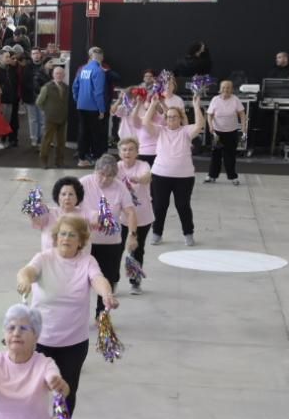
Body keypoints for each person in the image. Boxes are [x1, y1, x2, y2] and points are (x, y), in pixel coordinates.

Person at [16, 214, 116, 418]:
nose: (66, 238)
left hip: (73, 343)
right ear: (55, 236)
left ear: (81, 241)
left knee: (66, 391)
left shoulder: (87, 261)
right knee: (34, 389)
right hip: (40, 341)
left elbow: (98, 279)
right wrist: (25, 280)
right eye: (62, 234)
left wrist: (106, 293)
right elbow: (27, 271)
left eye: (72, 235)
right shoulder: (44, 258)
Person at [79, 154, 138, 311]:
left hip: (111, 243)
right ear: (95, 170)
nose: (105, 179)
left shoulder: (120, 187)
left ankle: (102, 314)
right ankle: (79, 313)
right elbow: (70, 207)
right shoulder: (83, 183)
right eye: (102, 174)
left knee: (107, 279)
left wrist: (132, 235)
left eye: (110, 176)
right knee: (81, 280)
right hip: (85, 241)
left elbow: (130, 212)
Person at [149, 95, 206, 247]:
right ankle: (157, 233)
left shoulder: (186, 131)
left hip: (184, 177)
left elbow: (200, 124)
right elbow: (145, 123)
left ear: (180, 118)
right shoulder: (160, 131)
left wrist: (196, 105)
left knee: (183, 205)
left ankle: (188, 233)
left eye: (174, 117)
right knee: (160, 205)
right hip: (160, 175)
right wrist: (154, 104)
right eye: (168, 117)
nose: (171, 120)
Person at [116, 137, 154, 294]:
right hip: (121, 218)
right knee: (116, 250)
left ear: (137, 152)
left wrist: (137, 179)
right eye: (124, 149)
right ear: (119, 152)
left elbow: (147, 177)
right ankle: (112, 281)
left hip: (142, 217)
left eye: (131, 149)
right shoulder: (116, 167)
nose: (127, 152)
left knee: (137, 250)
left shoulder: (143, 165)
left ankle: (135, 281)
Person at [30, 176, 89, 253]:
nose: (67, 197)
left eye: (71, 194)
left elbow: (97, 218)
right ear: (58, 197)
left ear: (77, 197)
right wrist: (34, 208)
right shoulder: (48, 213)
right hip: (50, 261)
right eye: (63, 194)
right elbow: (37, 219)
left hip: (78, 262)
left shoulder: (85, 213)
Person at [204, 80, 247, 185]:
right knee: (215, 156)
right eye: (223, 87)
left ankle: (233, 177)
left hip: (231, 132)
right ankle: (212, 176)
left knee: (230, 156)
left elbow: (242, 114)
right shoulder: (215, 100)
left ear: (232, 89)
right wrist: (210, 127)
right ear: (220, 89)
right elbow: (209, 115)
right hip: (217, 133)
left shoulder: (235, 99)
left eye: (228, 87)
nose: (225, 90)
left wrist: (243, 128)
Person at [72, 47, 108, 165]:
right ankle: (97, 158)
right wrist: (102, 109)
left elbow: (75, 86)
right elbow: (98, 92)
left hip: (81, 106)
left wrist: (78, 99)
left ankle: (82, 159)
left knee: (83, 132)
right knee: (96, 133)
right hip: (93, 107)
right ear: (101, 57)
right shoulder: (99, 71)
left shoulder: (83, 69)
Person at [36, 64, 70, 169]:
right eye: (56, 73)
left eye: (61, 73)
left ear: (64, 75)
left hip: (63, 118)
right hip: (50, 118)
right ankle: (43, 162)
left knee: (61, 142)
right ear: (53, 75)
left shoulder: (66, 87)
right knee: (47, 141)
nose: (59, 75)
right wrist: (46, 111)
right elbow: (39, 102)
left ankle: (59, 162)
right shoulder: (46, 87)